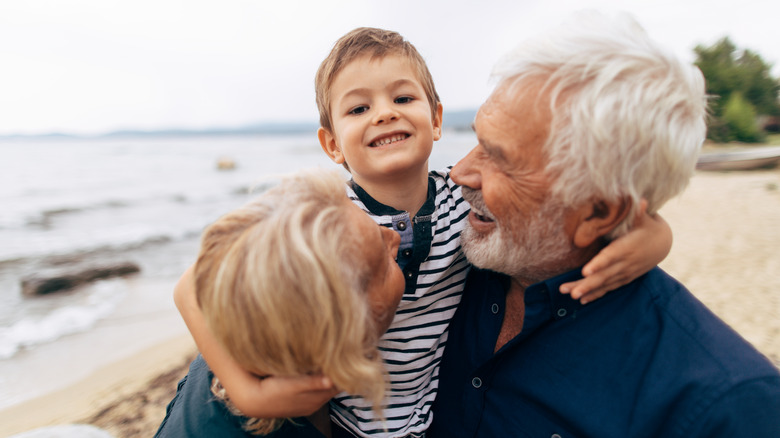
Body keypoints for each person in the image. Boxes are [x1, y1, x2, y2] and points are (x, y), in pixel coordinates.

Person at [173, 27, 674, 437]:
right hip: (339, 419)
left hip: (431, 417)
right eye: (358, 108)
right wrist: (247, 391)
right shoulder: (321, 214)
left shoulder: (465, 194)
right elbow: (192, 285)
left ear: (435, 120)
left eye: (402, 96)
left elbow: (577, 210)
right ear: (332, 145)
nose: (384, 112)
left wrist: (655, 238)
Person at [429, 12, 780, 437]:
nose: (459, 172)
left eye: (498, 157)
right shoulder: (438, 267)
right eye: (476, 140)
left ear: (600, 214)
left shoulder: (725, 408)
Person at [155, 169, 405, 437]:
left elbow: (191, 281)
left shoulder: (250, 318)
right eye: (383, 257)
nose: (395, 237)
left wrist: (246, 393)